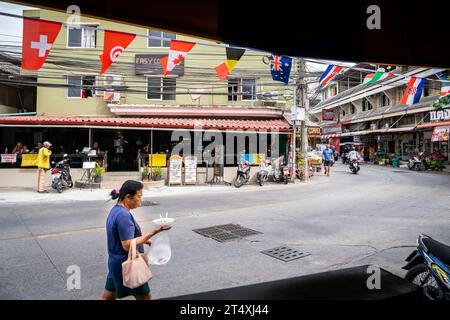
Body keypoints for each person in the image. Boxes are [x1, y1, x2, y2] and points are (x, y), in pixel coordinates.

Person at [101, 180, 169, 300]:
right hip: (128, 265)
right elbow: (127, 245)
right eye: (139, 196)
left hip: (115, 264)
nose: (140, 200)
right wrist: (152, 233)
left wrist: (143, 241)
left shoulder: (116, 210)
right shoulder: (124, 216)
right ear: (128, 197)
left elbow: (122, 236)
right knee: (145, 297)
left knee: (108, 297)